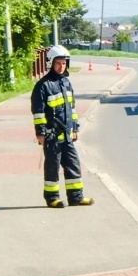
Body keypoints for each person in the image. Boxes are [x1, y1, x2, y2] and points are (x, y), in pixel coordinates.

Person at [31, 45, 94, 208]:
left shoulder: (66, 83)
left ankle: (76, 197)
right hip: (51, 135)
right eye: (58, 63)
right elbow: (38, 112)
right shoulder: (43, 86)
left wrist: (75, 128)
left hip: (66, 134)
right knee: (52, 167)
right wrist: (41, 133)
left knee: (73, 164)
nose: (61, 66)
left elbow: (71, 109)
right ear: (51, 63)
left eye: (64, 63)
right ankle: (52, 198)